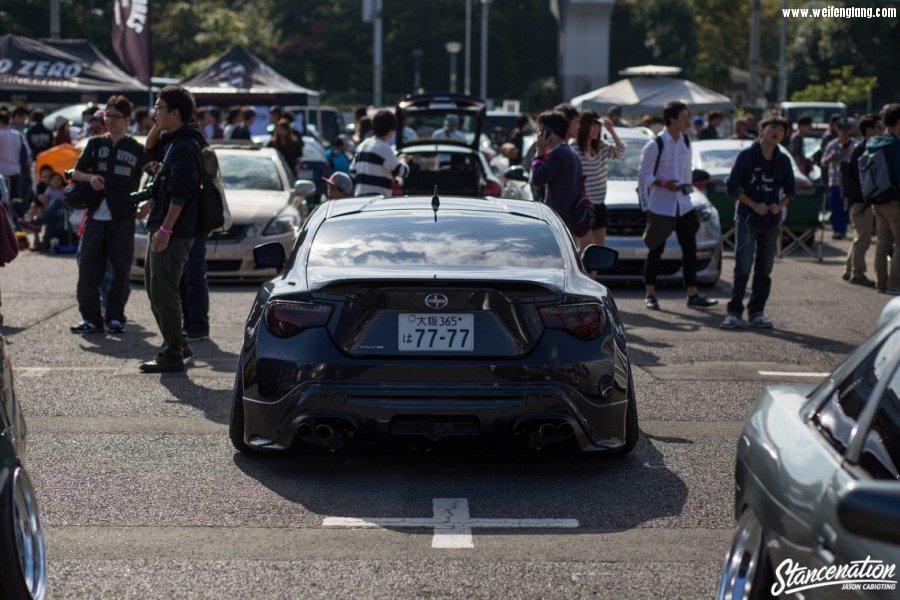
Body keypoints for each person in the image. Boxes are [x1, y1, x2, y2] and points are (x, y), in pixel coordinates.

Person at [68, 96, 149, 335]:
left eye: (116, 116)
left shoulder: (136, 148)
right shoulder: (95, 144)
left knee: (120, 271)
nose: (110, 120)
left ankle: (115, 317)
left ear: (126, 119)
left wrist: (148, 203)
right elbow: (75, 173)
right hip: (95, 216)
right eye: (108, 115)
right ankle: (91, 318)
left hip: (122, 217)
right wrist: (90, 178)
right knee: (87, 269)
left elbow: (157, 176)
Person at [139, 86, 205, 372]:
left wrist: (166, 229)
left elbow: (181, 193)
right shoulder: (173, 140)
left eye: (159, 108)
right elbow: (148, 149)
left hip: (173, 230)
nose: (154, 113)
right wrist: (159, 122)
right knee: (155, 288)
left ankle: (172, 352)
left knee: (164, 292)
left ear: (175, 113)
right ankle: (178, 341)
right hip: (162, 225)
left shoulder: (186, 146)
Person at [637, 100, 718, 311]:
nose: (687, 121)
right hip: (661, 205)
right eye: (683, 117)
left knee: (690, 249)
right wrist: (664, 184)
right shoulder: (655, 144)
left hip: (683, 204)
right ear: (672, 119)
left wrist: (687, 188)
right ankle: (650, 293)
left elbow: (687, 174)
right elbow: (643, 175)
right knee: (656, 249)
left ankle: (693, 293)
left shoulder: (686, 141)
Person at [720, 116, 796, 329]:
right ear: (761, 130)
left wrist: (778, 206)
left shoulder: (783, 160)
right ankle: (734, 312)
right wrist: (753, 205)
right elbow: (731, 186)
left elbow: (791, 190)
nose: (777, 132)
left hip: (771, 222)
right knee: (743, 266)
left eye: (781, 130)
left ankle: (757, 312)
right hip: (747, 218)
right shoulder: (746, 156)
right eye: (773, 127)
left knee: (765, 269)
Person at [531, 110, 590, 249]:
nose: (538, 136)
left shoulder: (559, 152)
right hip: (566, 219)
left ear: (548, 132)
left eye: (539, 131)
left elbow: (538, 178)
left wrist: (539, 153)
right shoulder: (568, 151)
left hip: (559, 220)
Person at [571, 110, 626, 246]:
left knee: (599, 249)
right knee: (584, 248)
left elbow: (620, 151)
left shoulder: (600, 146)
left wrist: (611, 131)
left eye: (598, 126)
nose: (596, 129)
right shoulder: (573, 148)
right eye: (592, 126)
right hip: (583, 205)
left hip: (600, 204)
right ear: (584, 127)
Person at [842, 114, 881, 287]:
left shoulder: (861, 147)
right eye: (878, 128)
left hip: (858, 201)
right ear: (868, 130)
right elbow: (863, 179)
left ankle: (849, 269)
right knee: (863, 239)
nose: (882, 131)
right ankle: (857, 274)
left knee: (860, 237)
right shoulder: (865, 149)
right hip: (860, 202)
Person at [870, 104, 900, 294]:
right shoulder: (896, 145)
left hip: (877, 198)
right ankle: (895, 284)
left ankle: (881, 283)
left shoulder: (874, 141)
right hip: (895, 200)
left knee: (883, 243)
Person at [349, 110, 409, 196]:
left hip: (360, 198)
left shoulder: (362, 145)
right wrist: (403, 160)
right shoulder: (383, 147)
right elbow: (402, 171)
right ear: (391, 130)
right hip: (377, 199)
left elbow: (352, 172)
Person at [821, 119, 857, 240]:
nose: (844, 133)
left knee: (846, 207)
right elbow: (823, 162)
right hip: (835, 180)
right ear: (838, 130)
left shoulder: (855, 145)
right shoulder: (832, 144)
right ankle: (837, 230)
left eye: (846, 130)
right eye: (842, 130)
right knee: (835, 206)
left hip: (849, 182)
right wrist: (830, 156)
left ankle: (843, 230)